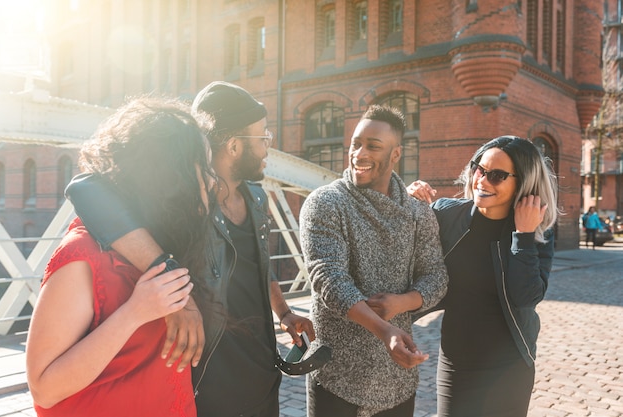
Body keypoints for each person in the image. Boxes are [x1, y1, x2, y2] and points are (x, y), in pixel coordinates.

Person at [64, 81, 315, 417]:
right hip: (207, 382)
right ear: (235, 146)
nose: (269, 146)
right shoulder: (185, 201)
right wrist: (173, 286)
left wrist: (284, 312)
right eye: (263, 137)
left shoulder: (256, 197)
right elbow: (86, 188)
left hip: (262, 377)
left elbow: (259, 263)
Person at [26, 97, 215, 417]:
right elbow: (44, 388)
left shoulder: (166, 245)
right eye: (204, 167)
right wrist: (135, 312)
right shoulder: (81, 256)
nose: (212, 180)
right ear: (170, 177)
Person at [299, 105, 448, 417]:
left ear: (396, 154)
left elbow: (436, 277)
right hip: (335, 377)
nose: (359, 154)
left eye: (373, 146)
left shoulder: (419, 213)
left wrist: (403, 302)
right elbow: (329, 280)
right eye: (356, 144)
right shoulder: (325, 203)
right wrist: (384, 330)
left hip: (397, 382)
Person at [407, 136, 559, 417]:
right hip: (456, 358)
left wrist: (523, 236)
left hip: (509, 364)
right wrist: (406, 204)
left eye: (497, 176)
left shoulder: (537, 229)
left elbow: (525, 297)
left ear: (522, 183)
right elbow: (404, 258)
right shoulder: (446, 214)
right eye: (479, 168)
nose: (482, 180)